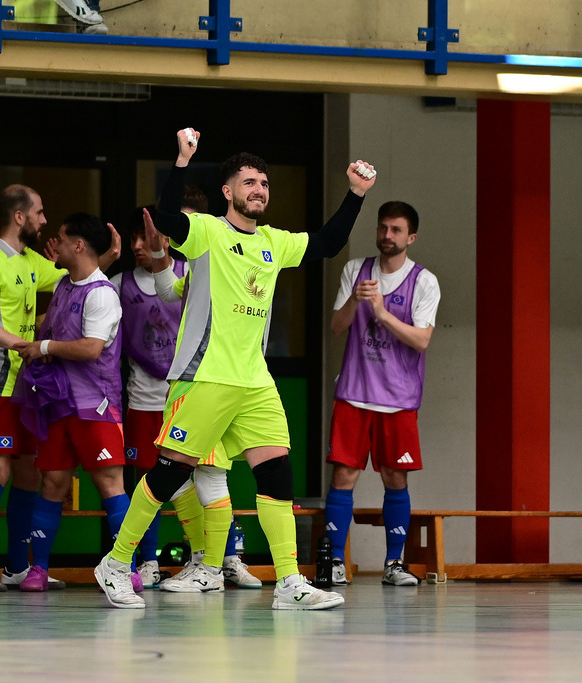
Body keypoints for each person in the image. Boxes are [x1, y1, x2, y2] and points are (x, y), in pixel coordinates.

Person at [94, 128, 376, 610]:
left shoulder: (274, 242)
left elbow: (329, 243)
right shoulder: (207, 232)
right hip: (203, 376)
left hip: (255, 382)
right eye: (249, 182)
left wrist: (356, 193)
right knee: (168, 474)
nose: (259, 190)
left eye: (264, 183)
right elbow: (167, 218)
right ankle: (116, 564)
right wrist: (182, 160)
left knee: (277, 477)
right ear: (228, 191)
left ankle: (289, 582)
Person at [113, 206, 261, 592]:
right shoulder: (133, 281)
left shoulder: (219, 265)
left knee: (212, 473)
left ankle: (220, 561)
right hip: (156, 396)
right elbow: (162, 294)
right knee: (168, 478)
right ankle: (166, 561)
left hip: (209, 389)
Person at [322, 201, 440, 587]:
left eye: (396, 230)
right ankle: (334, 562)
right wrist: (356, 300)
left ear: (411, 237)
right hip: (354, 393)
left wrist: (383, 312)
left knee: (395, 477)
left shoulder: (424, 281)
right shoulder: (356, 270)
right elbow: (337, 327)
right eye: (383, 228)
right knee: (344, 474)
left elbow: (421, 340)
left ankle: (394, 563)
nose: (387, 235)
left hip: (398, 399)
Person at [13, 212, 130, 591]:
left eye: (62, 239)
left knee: (110, 483)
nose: (55, 245)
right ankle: (39, 569)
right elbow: (55, 326)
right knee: (52, 483)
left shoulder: (102, 294)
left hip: (96, 406)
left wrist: (44, 347)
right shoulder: (66, 285)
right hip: (57, 403)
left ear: (78, 245)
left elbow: (91, 348)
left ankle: (125, 569)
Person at [0, 185, 67, 592]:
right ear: (19, 217)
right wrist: (20, 344)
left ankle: (17, 568)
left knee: (28, 473)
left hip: (28, 388)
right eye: (39, 212)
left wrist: (108, 254)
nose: (44, 220)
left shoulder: (30, 259)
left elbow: (74, 275)